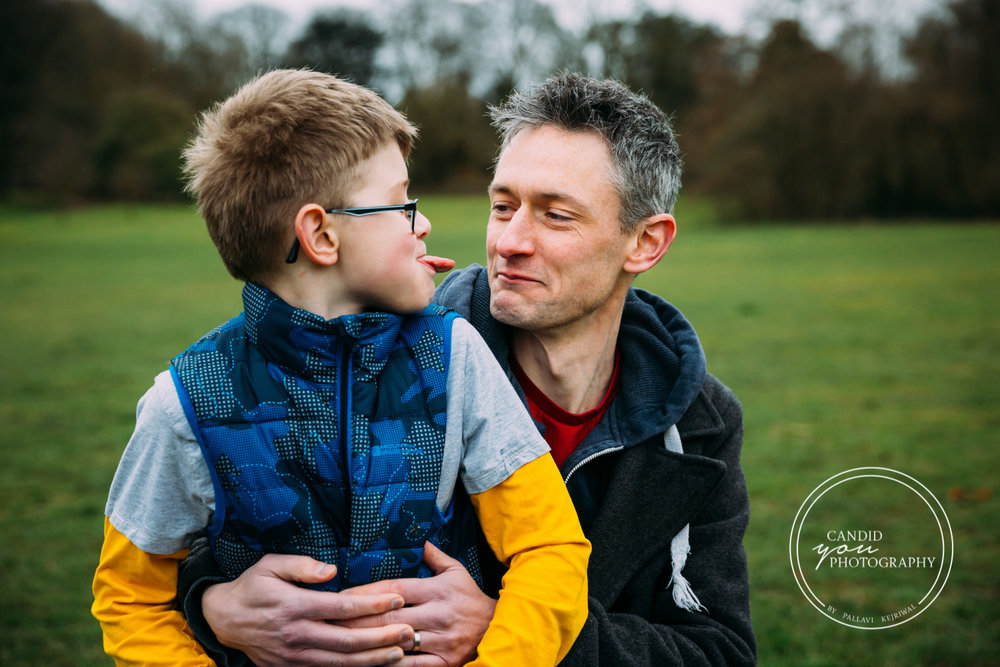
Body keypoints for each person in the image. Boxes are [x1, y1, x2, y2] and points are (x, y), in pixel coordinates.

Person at [179, 72, 756, 666]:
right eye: (502, 206)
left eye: (556, 216)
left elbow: (719, 651)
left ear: (646, 243)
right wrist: (210, 604)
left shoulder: (698, 422)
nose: (510, 241)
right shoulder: (388, 353)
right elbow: (228, 517)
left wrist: (515, 629)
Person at [90, 69, 591, 667]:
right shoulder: (185, 402)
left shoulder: (453, 357)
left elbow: (550, 547)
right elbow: (130, 601)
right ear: (321, 234)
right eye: (402, 204)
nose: (423, 223)